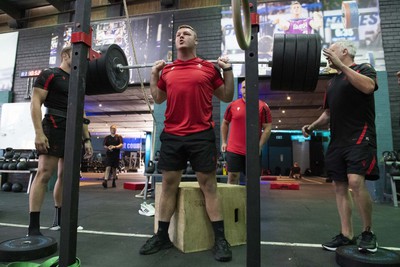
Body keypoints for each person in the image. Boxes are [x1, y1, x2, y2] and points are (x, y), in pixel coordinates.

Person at [139, 25, 234, 262]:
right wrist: (154, 75)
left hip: (201, 134)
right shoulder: (168, 70)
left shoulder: (209, 68)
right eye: (178, 34)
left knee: (208, 186)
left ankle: (220, 239)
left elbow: (227, 96)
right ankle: (161, 236)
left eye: (187, 33)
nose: (181, 36)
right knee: (169, 185)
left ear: (196, 40)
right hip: (172, 134)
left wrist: (228, 70)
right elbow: (158, 98)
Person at [301, 40, 379, 253]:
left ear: (345, 51)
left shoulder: (365, 69)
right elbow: (328, 113)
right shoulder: (333, 83)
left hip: (360, 136)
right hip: (337, 141)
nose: (328, 55)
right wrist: (312, 126)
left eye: (332, 50)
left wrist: (342, 67)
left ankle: (368, 232)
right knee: (339, 186)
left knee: (355, 181)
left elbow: (368, 87)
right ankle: (346, 235)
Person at [28, 46, 93, 235]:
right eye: (78, 56)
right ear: (65, 55)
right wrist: (39, 133)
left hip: (72, 130)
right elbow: (35, 103)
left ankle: (59, 220)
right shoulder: (50, 74)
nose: (82, 61)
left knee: (66, 177)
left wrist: (87, 139)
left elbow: (81, 112)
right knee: (44, 174)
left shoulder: (78, 81)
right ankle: (33, 227)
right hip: (53, 126)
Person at [220, 80, 272, 184]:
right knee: (232, 177)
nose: (246, 90)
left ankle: (251, 201)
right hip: (234, 150)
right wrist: (224, 142)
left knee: (253, 181)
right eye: (243, 87)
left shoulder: (263, 107)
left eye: (248, 87)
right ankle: (233, 201)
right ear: (240, 89)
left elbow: (268, 128)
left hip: (253, 150)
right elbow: (225, 123)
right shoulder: (233, 105)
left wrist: (259, 145)